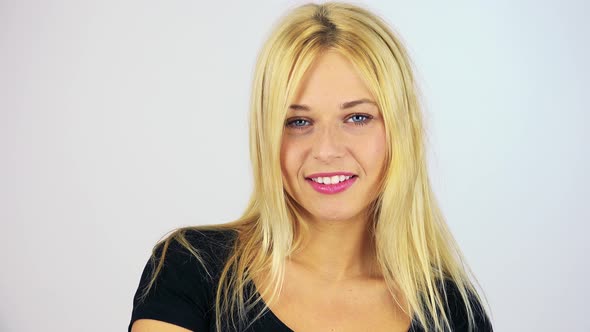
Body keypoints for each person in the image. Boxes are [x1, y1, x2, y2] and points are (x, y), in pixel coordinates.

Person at [129, 2, 493, 331]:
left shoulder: (451, 313)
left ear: (400, 131)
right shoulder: (193, 268)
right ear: (267, 137)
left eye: (357, 117)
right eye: (299, 122)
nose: (327, 150)